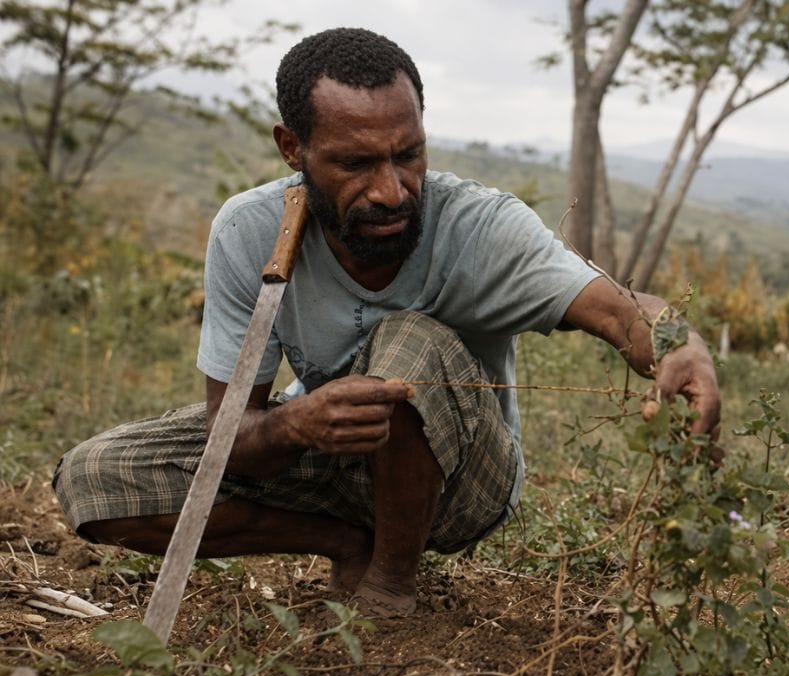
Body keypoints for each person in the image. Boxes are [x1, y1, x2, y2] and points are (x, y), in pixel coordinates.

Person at [52, 28, 720, 618]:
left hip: (466, 482)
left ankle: (391, 587)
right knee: (92, 478)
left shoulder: (480, 226)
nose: (392, 190)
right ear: (293, 147)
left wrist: (676, 345)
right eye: (356, 163)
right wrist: (294, 423)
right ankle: (348, 543)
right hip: (334, 453)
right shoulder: (249, 232)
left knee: (408, 344)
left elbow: (618, 306)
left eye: (408, 155)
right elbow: (236, 438)